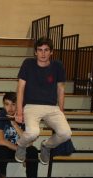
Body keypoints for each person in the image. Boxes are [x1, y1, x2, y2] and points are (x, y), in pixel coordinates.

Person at [15, 37, 72, 165]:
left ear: (51, 52)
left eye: (46, 50)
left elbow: (61, 89)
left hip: (52, 107)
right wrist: (19, 112)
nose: (43, 53)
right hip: (31, 106)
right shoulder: (28, 63)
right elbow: (20, 88)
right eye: (40, 50)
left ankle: (46, 146)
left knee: (66, 133)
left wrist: (61, 111)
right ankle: (21, 144)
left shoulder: (58, 65)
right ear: (35, 52)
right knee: (33, 133)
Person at [0, 92, 39, 178]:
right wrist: (19, 150)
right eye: (7, 104)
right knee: (0, 151)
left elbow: (29, 142)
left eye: (13, 104)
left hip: (21, 147)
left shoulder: (25, 116)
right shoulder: (0, 115)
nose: (10, 107)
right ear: (3, 105)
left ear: (18, 104)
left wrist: (14, 124)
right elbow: (0, 140)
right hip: (9, 148)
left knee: (33, 152)